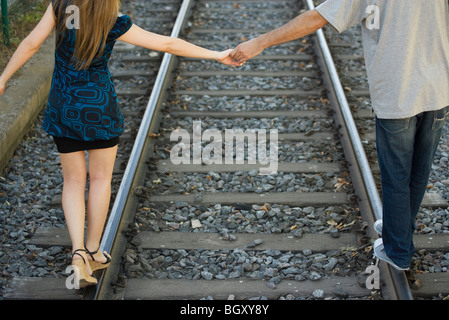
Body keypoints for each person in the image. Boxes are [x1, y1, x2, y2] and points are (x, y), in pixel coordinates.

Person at [0, 0, 240, 287]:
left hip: (64, 106)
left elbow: (30, 43)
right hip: (100, 108)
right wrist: (216, 54)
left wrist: (3, 78)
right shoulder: (112, 18)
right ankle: (93, 250)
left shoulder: (60, 7)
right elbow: (167, 44)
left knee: (73, 181)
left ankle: (77, 254)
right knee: (101, 178)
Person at [230, 0, 449, 271]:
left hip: (398, 94)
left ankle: (398, 251)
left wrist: (260, 42)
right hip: (438, 90)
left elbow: (317, 18)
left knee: (397, 176)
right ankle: (399, 227)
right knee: (418, 171)